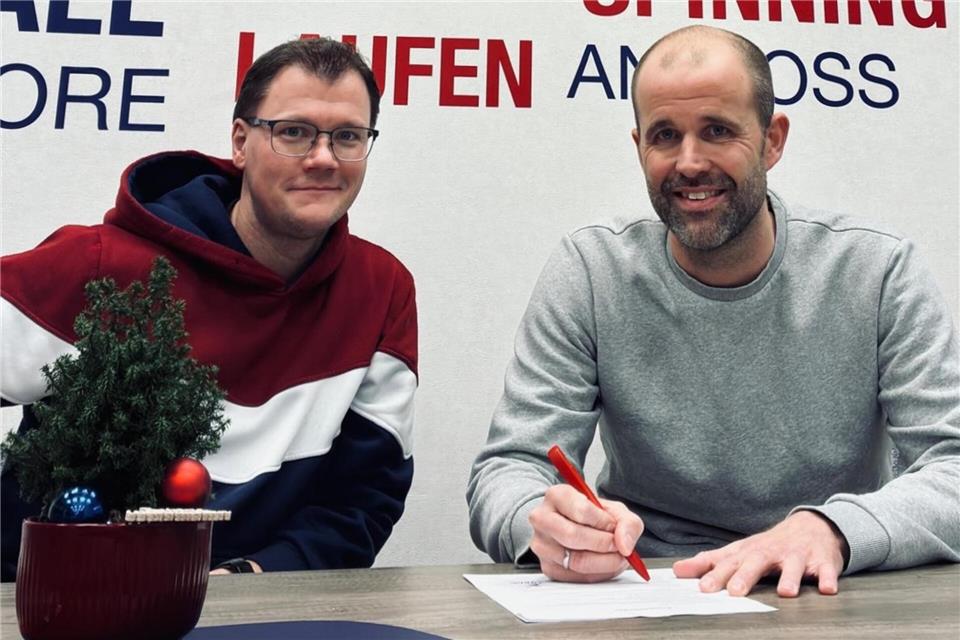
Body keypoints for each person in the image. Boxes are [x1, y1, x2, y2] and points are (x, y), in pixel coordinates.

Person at [466, 25, 959, 597]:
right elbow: (506, 471)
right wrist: (542, 524)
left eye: (718, 130)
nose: (690, 162)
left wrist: (832, 529)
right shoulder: (591, 270)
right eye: (665, 136)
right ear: (638, 146)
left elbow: (952, 469)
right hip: (645, 592)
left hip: (824, 588)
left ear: (773, 140)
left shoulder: (877, 270)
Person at [1, 38, 417, 580]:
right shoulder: (101, 265)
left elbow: (360, 502)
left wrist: (247, 578)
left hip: (254, 612)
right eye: (293, 132)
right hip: (55, 605)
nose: (322, 158)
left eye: (347, 137)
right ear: (241, 143)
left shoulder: (380, 291)